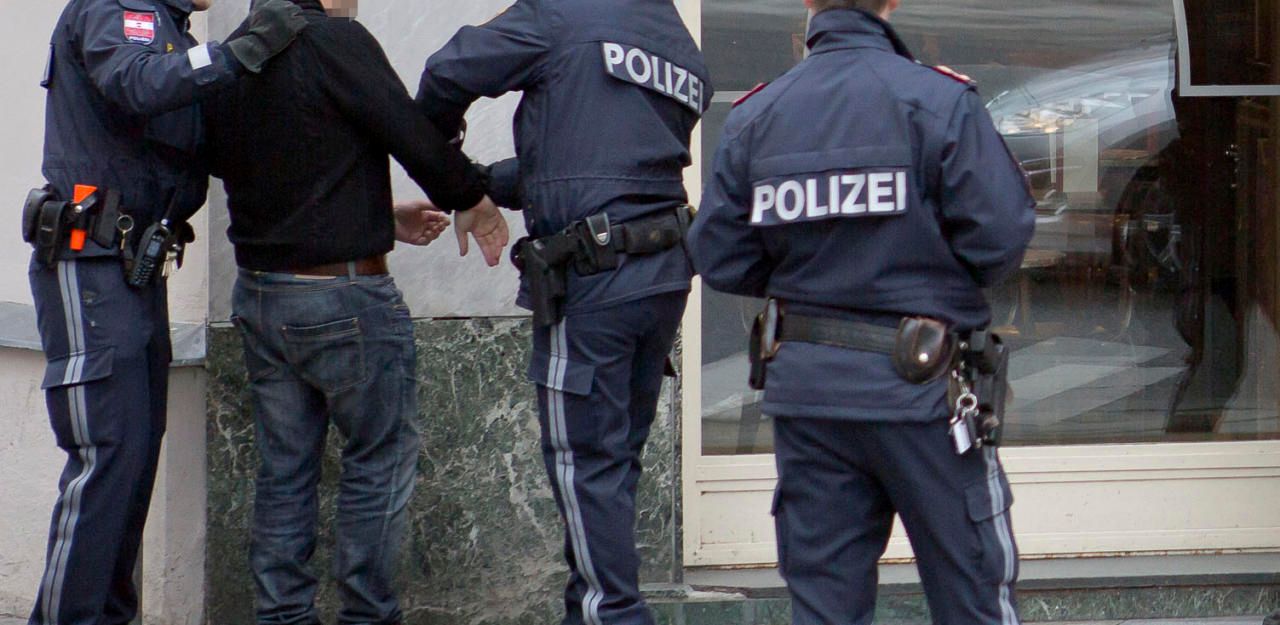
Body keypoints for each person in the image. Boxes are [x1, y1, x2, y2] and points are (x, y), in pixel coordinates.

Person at [688, 0, 1036, 624]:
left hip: (809, 394)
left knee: (825, 607)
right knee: (973, 595)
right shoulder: (938, 101)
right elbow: (1000, 237)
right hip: (923, 392)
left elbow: (720, 256)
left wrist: (809, 280)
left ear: (806, 2)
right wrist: (923, 276)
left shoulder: (759, 114)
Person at [199, 0, 505, 623]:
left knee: (284, 471)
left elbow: (281, 169)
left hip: (262, 296)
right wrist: (470, 196)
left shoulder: (234, 55)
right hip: (342, 298)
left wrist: (380, 218)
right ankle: (366, 615)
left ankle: (281, 615)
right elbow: (408, 129)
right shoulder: (336, 41)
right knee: (377, 463)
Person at [415, 2, 710, 623]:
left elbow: (446, 73)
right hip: (660, 273)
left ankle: (615, 615)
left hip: (594, 278)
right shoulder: (674, 35)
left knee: (587, 467)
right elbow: (592, 164)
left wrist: (449, 176)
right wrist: (482, 182)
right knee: (612, 466)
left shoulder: (562, 12)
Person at [25, 0, 306, 623]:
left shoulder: (173, 31)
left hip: (135, 270)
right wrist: (240, 50)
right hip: (89, 264)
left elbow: (220, 151)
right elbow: (136, 82)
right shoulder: (119, 7)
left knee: (132, 460)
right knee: (108, 454)